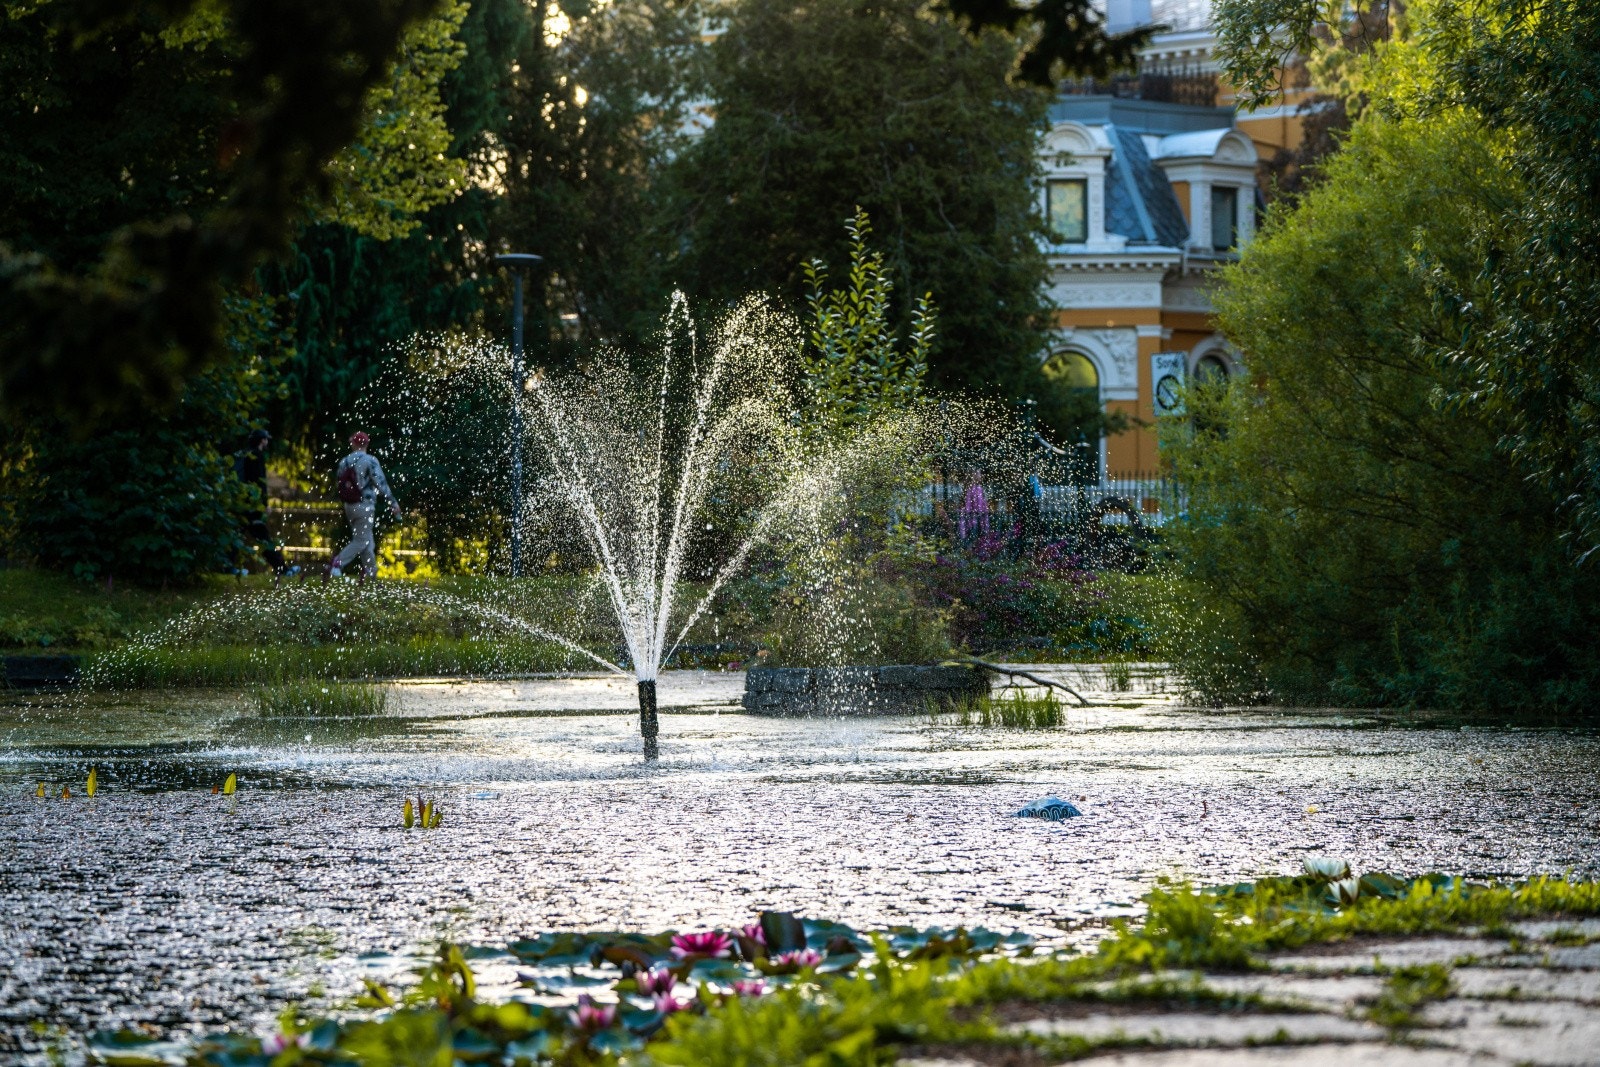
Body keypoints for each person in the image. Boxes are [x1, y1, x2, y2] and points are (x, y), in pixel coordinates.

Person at [325, 431, 401, 581]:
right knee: (361, 541)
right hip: (364, 505)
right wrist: (393, 502)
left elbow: (340, 483)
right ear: (367, 443)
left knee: (367, 542)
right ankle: (336, 564)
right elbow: (381, 483)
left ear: (353, 443)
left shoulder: (344, 461)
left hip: (349, 506)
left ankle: (372, 575)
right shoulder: (370, 461)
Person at [233, 429, 294, 579]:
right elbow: (259, 482)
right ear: (262, 441)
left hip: (242, 503)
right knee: (263, 539)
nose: (267, 442)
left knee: (236, 536)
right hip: (253, 506)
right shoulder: (257, 456)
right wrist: (263, 504)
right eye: (266, 439)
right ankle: (283, 569)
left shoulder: (245, 455)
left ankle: (228, 567)